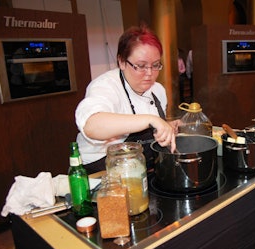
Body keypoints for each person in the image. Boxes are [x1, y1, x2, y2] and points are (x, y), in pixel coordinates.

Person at [75, 25, 179, 174]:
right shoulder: (106, 86)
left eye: (155, 65)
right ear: (122, 62)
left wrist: (165, 128)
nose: (149, 73)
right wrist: (151, 119)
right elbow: (91, 125)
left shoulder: (158, 90)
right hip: (103, 171)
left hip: (140, 168)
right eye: (141, 66)